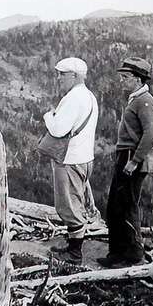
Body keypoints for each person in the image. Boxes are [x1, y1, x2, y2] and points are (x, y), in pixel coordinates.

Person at [97, 57, 153, 268]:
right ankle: (116, 252)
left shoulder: (145, 101)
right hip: (126, 154)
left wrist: (134, 161)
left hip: (132, 156)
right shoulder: (136, 98)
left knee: (127, 206)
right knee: (115, 205)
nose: (122, 81)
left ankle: (133, 256)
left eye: (126, 77)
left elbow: (151, 135)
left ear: (139, 79)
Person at [44, 57, 99, 264]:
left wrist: (48, 116)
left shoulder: (73, 98)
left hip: (69, 159)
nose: (59, 79)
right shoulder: (89, 97)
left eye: (62, 75)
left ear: (74, 76)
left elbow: (58, 129)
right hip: (84, 157)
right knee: (76, 200)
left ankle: (75, 253)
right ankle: (73, 245)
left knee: (68, 205)